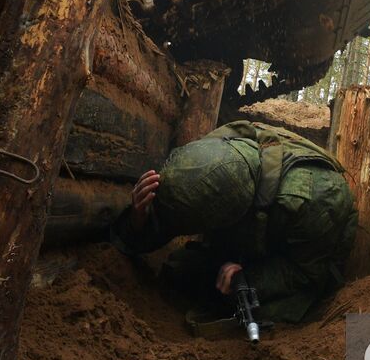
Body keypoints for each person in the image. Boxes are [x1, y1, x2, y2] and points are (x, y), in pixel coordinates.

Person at [111, 121, 357, 325]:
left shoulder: (318, 199)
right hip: (258, 225)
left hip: (308, 253)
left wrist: (249, 278)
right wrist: (138, 219)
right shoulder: (209, 163)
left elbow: (306, 271)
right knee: (180, 271)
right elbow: (150, 233)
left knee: (245, 305)